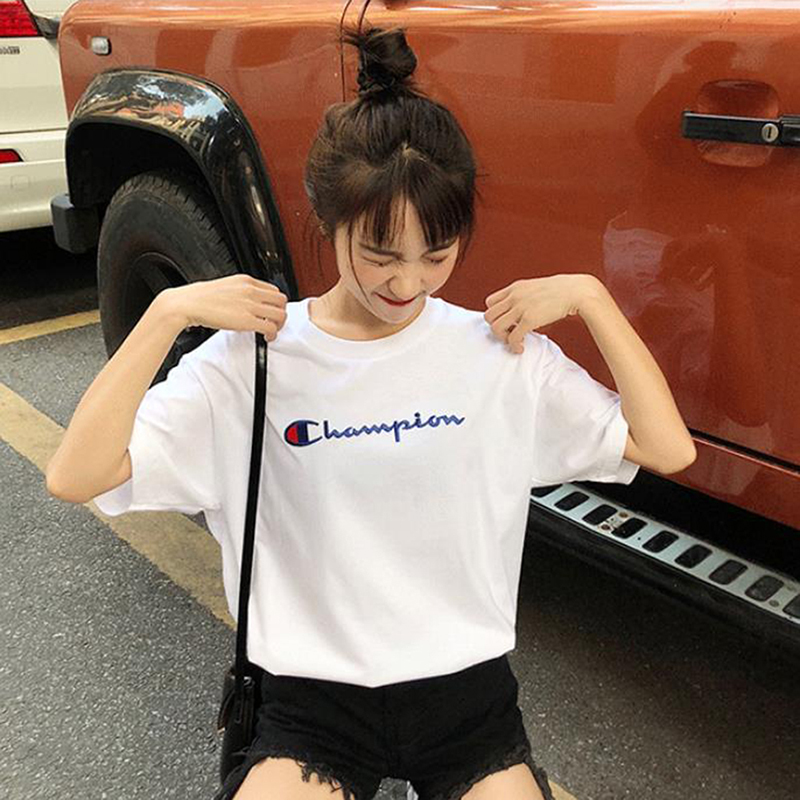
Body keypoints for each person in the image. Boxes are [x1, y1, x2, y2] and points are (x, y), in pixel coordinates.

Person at [45, 22, 696, 800]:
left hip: (466, 700)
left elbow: (666, 449)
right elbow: (76, 475)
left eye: (436, 256)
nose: (407, 283)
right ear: (329, 220)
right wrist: (166, 315)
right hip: (310, 705)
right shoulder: (257, 358)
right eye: (380, 255)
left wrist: (593, 300)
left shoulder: (495, 354)